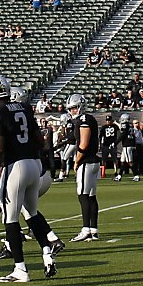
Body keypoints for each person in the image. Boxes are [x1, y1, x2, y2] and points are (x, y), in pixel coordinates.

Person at [0, 76, 62, 282]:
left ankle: (20, 269)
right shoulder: (24, 107)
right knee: (31, 214)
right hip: (32, 165)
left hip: (15, 167)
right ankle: (47, 253)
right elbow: (40, 139)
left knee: (10, 218)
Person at [63, 94, 103, 241]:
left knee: (83, 195)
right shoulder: (85, 119)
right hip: (92, 161)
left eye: (74, 108)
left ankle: (86, 229)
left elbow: (84, 144)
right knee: (91, 196)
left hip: (87, 161)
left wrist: (77, 160)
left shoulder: (84, 119)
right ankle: (93, 230)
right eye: (71, 109)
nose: (73, 111)